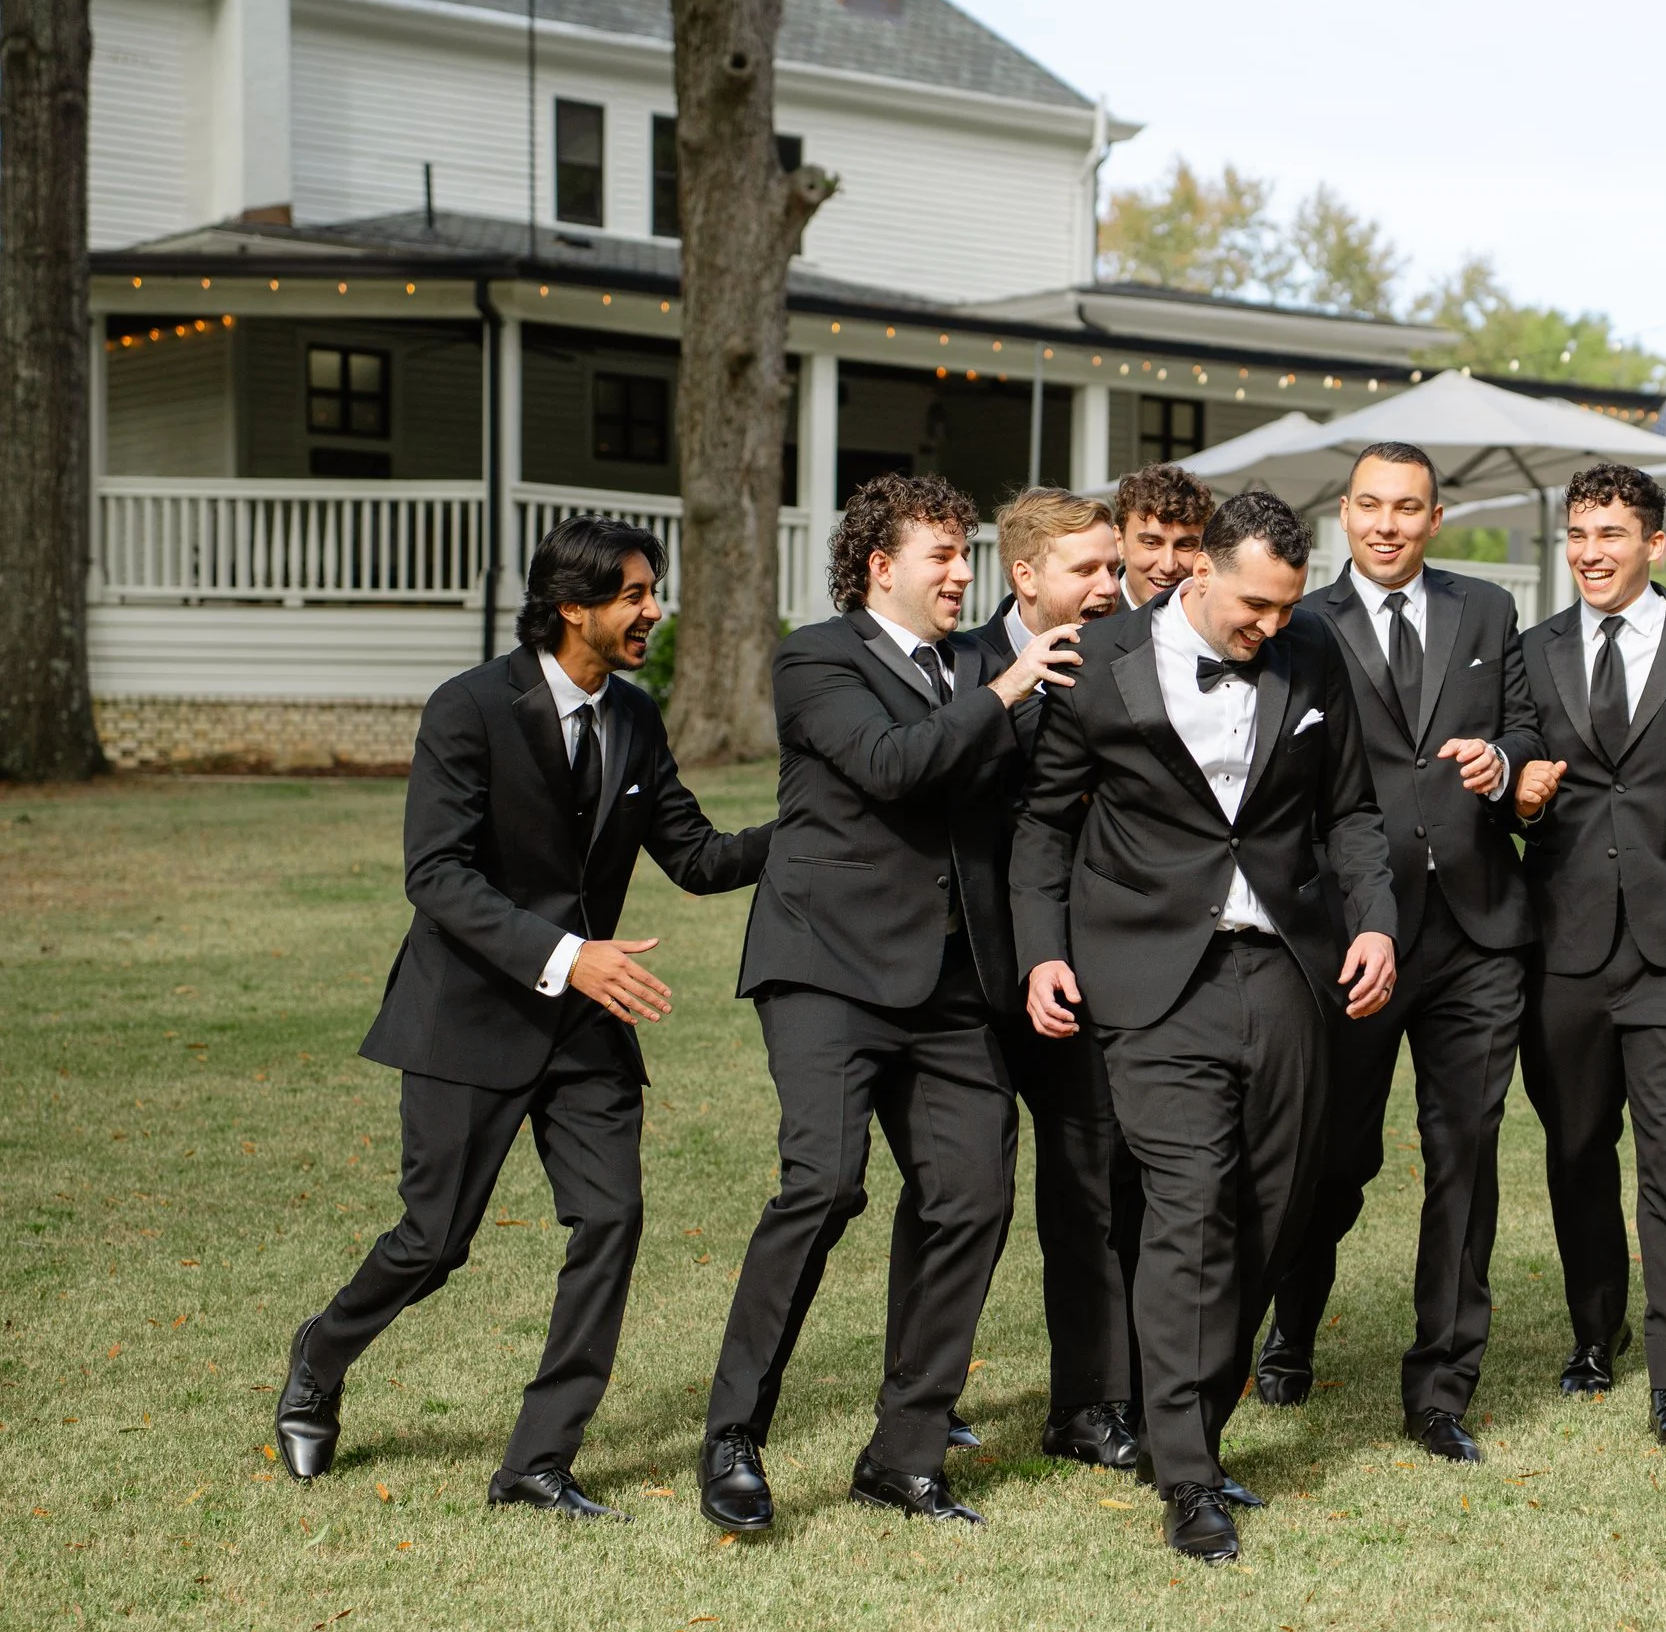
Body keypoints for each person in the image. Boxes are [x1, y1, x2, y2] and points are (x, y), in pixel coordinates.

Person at [272, 517, 772, 1517]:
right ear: (570, 606)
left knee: (613, 1218)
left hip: (586, 1029)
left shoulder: (635, 717)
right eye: (634, 594)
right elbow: (436, 874)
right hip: (469, 1013)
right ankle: (319, 1356)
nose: (653, 611)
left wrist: (816, 824)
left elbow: (698, 857)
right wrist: (566, 956)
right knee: (433, 1240)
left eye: (652, 590)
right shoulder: (466, 709)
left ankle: (537, 1460)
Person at [1012, 489, 1398, 1564]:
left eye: (1285, 606)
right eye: (1254, 605)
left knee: (1274, 1206)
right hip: (1148, 974)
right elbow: (1045, 822)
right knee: (1189, 1203)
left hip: (1282, 963)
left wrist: (1376, 923)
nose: (1269, 627)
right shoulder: (1098, 658)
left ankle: (1200, 1425)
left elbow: (1353, 810)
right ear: (1197, 574)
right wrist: (1043, 948)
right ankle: (1185, 1472)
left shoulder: (1314, 650)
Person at [696, 474, 1079, 1534]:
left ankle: (903, 1451)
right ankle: (733, 1433)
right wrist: (1005, 693)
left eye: (968, 556)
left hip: (952, 984)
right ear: (880, 567)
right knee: (822, 1182)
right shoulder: (816, 659)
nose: (964, 574)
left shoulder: (971, 665)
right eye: (944, 556)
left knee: (973, 1193)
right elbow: (891, 765)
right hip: (824, 964)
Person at [1253, 443, 1542, 1465]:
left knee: (1464, 1155)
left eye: (1407, 507)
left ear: (1435, 518)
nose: (1386, 523)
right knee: (1335, 1160)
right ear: (1343, 512)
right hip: (1353, 937)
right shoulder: (1298, 621)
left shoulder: (1486, 612)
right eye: (1369, 505)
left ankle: (1439, 1385)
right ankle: (1291, 1324)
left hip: (1476, 931)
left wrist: (1504, 761)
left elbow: (1521, 727)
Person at [1510, 465, 1666, 1449]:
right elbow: (1518, 755)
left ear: (1657, 543)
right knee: (1575, 1153)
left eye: (1610, 531)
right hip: (1562, 944)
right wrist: (1518, 794)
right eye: (1577, 532)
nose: (1590, 551)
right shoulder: (1532, 648)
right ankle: (1592, 1331)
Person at [960, 487, 1143, 1470]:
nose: (1109, 585)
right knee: (956, 1194)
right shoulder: (955, 666)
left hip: (1085, 969)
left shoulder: (1120, 661)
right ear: (1024, 574)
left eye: (1113, 567)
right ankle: (931, 1392)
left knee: (1091, 1188)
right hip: (959, 979)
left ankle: (1091, 1401)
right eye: (1089, 569)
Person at [1113, 462, 1214, 609]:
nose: (1168, 566)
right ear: (1119, 542)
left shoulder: (1222, 624)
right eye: (1151, 543)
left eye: (1185, 545)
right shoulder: (1087, 622)